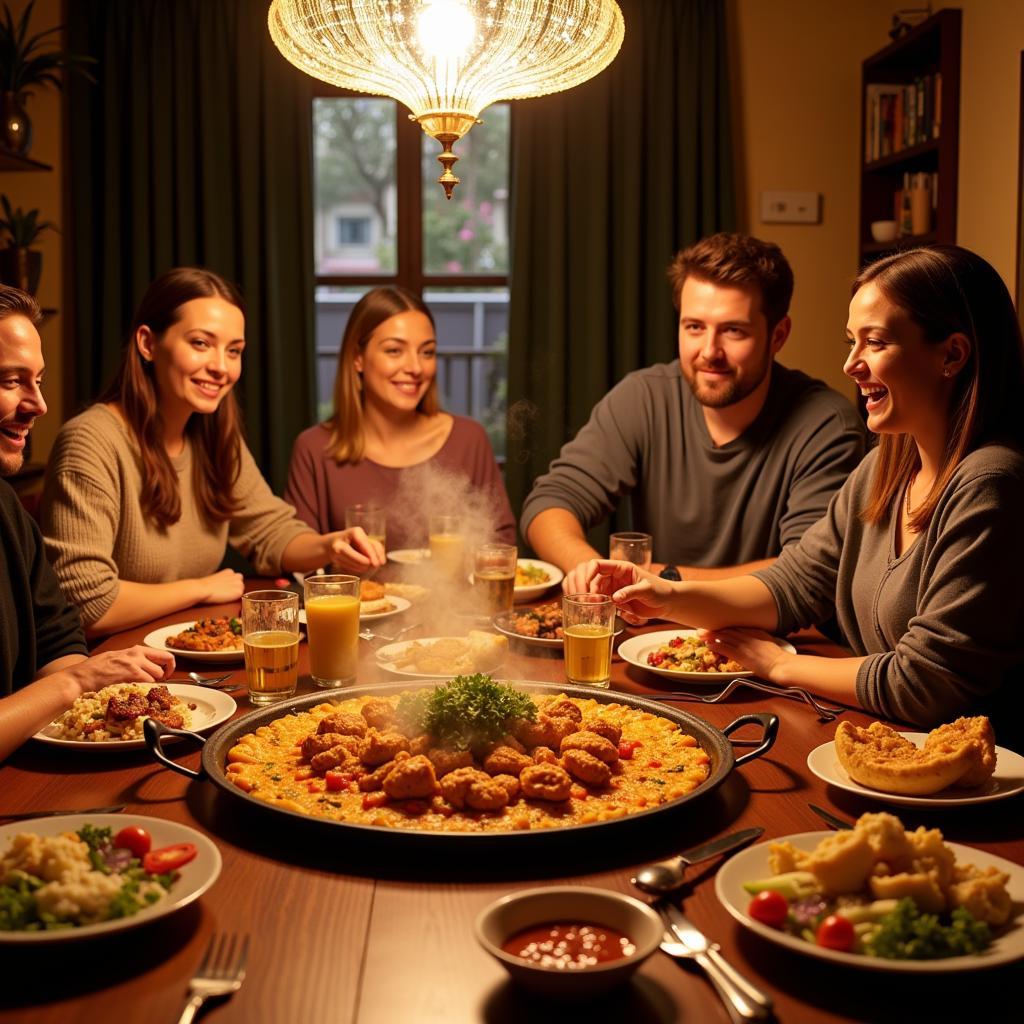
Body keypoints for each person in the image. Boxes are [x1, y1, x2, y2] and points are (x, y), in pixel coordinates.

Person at [569, 246, 1024, 730]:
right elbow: (791, 586)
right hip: (888, 738)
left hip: (972, 779)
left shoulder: (990, 484)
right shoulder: (883, 468)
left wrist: (780, 665)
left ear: (951, 354)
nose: (851, 363)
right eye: (851, 341)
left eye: (876, 342)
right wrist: (666, 595)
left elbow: (926, 684)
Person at [42, 268, 384, 635]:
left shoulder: (213, 437)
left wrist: (332, 545)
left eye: (234, 351)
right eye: (201, 343)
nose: (221, 367)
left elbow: (271, 532)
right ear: (147, 343)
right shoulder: (89, 442)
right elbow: (86, 603)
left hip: (184, 654)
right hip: (113, 668)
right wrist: (201, 588)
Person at [522, 233, 867, 576]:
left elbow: (808, 570)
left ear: (778, 335)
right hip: (651, 627)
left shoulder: (827, 424)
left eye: (733, 331)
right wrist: (589, 567)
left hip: (762, 630)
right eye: (694, 327)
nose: (708, 352)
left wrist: (663, 583)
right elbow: (549, 504)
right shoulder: (643, 397)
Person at [0, 285, 174, 760]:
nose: (39, 405)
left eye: (38, 380)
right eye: (10, 381)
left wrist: (106, 709)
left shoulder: (6, 507)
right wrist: (76, 681)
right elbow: (72, 664)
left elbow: (56, 637)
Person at [285, 286, 515, 550]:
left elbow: (500, 548)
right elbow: (298, 556)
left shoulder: (468, 440)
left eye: (427, 352)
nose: (415, 368)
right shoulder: (314, 448)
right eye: (394, 351)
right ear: (358, 358)